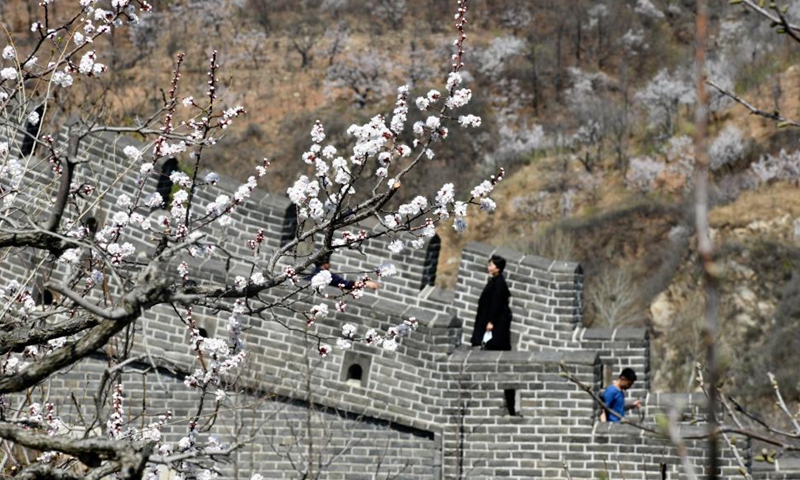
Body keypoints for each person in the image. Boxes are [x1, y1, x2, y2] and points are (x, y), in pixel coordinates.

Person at [470, 254, 512, 351]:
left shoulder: (499, 283)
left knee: (491, 344)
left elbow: (497, 303)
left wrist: (491, 322)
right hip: (487, 317)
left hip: (494, 321)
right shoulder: (494, 280)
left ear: (497, 268)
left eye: (491, 265)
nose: (488, 267)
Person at [307, 254, 380, 291]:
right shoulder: (327, 275)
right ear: (325, 264)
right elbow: (346, 284)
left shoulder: (312, 273)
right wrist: (366, 283)